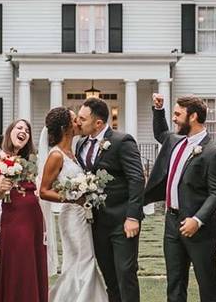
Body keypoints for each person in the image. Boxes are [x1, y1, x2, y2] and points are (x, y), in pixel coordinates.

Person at [144, 93, 216, 302]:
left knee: (207, 284)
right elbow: (161, 132)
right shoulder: (175, 141)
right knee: (175, 283)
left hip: (199, 228)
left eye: (178, 114)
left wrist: (197, 220)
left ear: (193, 117)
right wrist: (159, 110)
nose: (174, 118)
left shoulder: (212, 150)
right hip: (171, 223)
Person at [76, 97, 145, 302]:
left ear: (98, 123)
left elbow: (137, 179)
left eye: (82, 118)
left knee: (125, 273)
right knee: (110, 277)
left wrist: (133, 216)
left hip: (122, 221)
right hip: (96, 222)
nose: (78, 122)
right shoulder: (80, 143)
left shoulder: (122, 141)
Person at [39, 106, 109, 302]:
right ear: (65, 127)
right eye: (74, 119)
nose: (79, 121)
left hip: (83, 215)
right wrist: (71, 198)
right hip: (70, 215)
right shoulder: (56, 155)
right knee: (83, 261)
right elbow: (43, 190)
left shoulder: (73, 151)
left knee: (82, 261)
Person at [0, 118, 47, 302]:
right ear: (10, 131)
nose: (23, 131)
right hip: (15, 216)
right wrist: (3, 187)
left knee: (33, 260)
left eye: (27, 130)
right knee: (18, 260)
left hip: (34, 217)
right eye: (19, 127)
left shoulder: (29, 160)